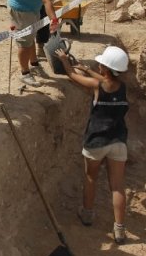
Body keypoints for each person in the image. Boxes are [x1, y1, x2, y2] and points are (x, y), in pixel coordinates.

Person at [56, 46, 130, 244]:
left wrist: (64, 60)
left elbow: (72, 75)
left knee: (91, 178)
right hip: (118, 141)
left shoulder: (97, 86)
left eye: (101, 65)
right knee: (117, 186)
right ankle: (120, 229)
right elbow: (106, 78)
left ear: (104, 68)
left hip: (97, 140)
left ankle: (87, 214)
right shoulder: (122, 86)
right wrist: (87, 68)